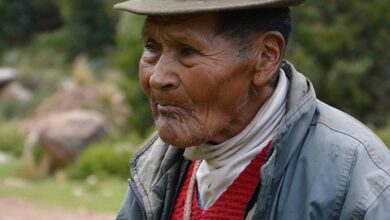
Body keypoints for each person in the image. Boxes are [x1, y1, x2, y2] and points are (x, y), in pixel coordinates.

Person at [114, 0, 390, 219]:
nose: (158, 78)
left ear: (265, 57)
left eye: (187, 51)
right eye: (152, 47)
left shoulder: (357, 182)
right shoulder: (156, 169)